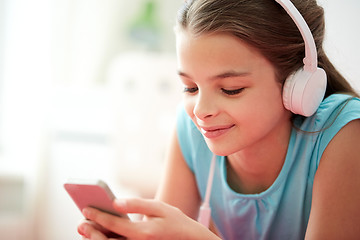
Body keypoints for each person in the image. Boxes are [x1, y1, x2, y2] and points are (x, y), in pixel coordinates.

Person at [77, 0, 360, 239]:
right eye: (190, 88)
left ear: (299, 86)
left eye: (230, 89)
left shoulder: (343, 133)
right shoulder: (192, 128)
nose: (201, 110)